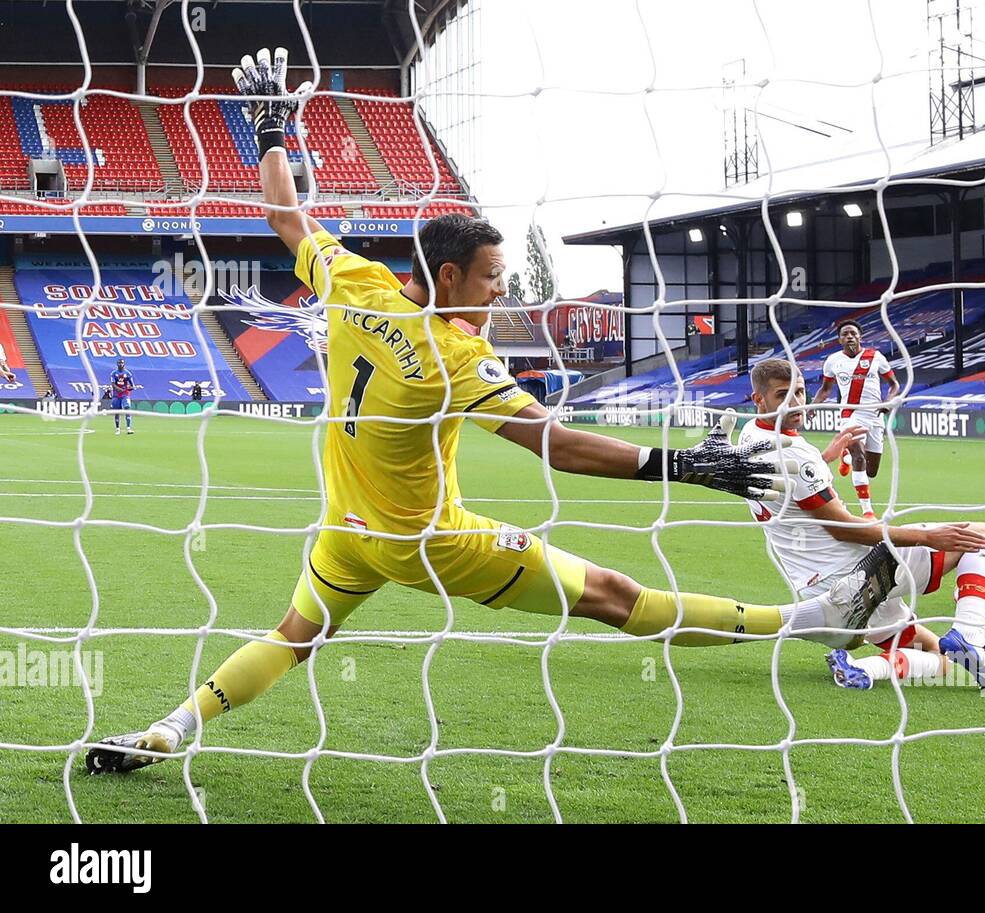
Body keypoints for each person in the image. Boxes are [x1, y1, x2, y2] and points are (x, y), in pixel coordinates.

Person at [85, 49, 886, 774]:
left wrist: (267, 130)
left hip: (348, 531)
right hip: (435, 539)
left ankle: (170, 727)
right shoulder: (455, 357)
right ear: (447, 272)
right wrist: (684, 465)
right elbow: (559, 446)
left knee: (294, 635)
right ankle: (813, 614)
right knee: (614, 596)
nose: (502, 286)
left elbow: (285, 215)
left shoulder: (353, 281)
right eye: (491, 275)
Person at [741, 358, 985, 693]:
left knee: (938, 655)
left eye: (800, 392)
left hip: (815, 588)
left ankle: (863, 669)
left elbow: (791, 483)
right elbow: (844, 529)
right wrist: (928, 537)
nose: (796, 403)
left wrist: (827, 456)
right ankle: (970, 633)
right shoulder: (797, 455)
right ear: (759, 399)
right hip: (858, 577)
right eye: (783, 395)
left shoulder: (751, 435)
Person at [811, 322, 901, 519]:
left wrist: (888, 401)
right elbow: (825, 389)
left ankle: (846, 457)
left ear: (860, 336)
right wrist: (813, 406)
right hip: (850, 415)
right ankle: (867, 511)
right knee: (859, 454)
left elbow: (894, 385)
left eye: (853, 333)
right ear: (840, 339)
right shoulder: (833, 361)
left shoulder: (876, 357)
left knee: (871, 471)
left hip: (874, 416)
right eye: (845, 334)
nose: (849, 336)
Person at [107, 357, 139, 435]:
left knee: (127, 408)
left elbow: (132, 386)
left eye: (122, 363)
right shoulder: (114, 373)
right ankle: (117, 429)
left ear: (124, 364)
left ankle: (128, 428)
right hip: (116, 395)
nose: (120, 364)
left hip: (125, 394)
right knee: (117, 411)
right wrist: (118, 389)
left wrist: (129, 388)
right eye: (119, 363)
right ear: (117, 364)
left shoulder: (128, 373)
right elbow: (113, 384)